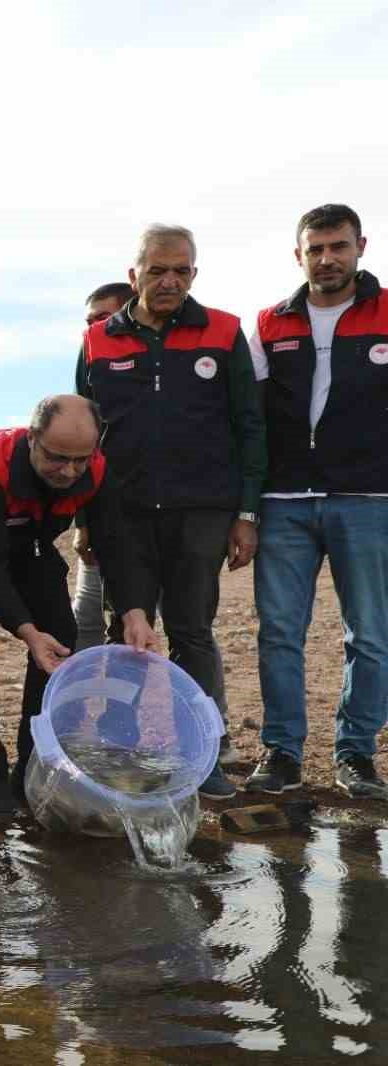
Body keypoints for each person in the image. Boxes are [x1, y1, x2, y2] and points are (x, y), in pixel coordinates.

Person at [76, 224, 266, 800]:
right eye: (157, 270)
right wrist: (85, 518)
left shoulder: (225, 332)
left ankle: (202, 758)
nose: (169, 280)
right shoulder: (97, 341)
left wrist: (247, 513)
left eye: (181, 270)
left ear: (194, 274)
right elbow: (83, 434)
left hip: (201, 510)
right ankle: (120, 752)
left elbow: (249, 426)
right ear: (133, 275)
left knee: (192, 632)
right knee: (123, 632)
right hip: (123, 514)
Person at [0, 395, 157, 812]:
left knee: (62, 638)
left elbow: (116, 546)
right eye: (57, 459)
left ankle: (30, 767)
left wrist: (133, 611)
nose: (69, 471)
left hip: (27, 541)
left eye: (80, 460)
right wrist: (26, 631)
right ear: (32, 438)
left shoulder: (95, 470)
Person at [246, 203, 388, 800]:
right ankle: (281, 752)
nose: (327, 259)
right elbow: (246, 419)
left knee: (372, 634)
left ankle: (355, 756)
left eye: (338, 246)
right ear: (298, 254)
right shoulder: (269, 323)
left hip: (369, 498)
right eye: (316, 249)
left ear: (360, 246)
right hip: (283, 501)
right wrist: (246, 507)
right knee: (279, 632)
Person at [70, 281, 137, 651]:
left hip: (163, 514)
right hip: (102, 511)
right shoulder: (91, 360)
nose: (93, 328)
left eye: (102, 318)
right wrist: (83, 523)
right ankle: (80, 703)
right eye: (88, 321)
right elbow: (83, 446)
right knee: (87, 618)